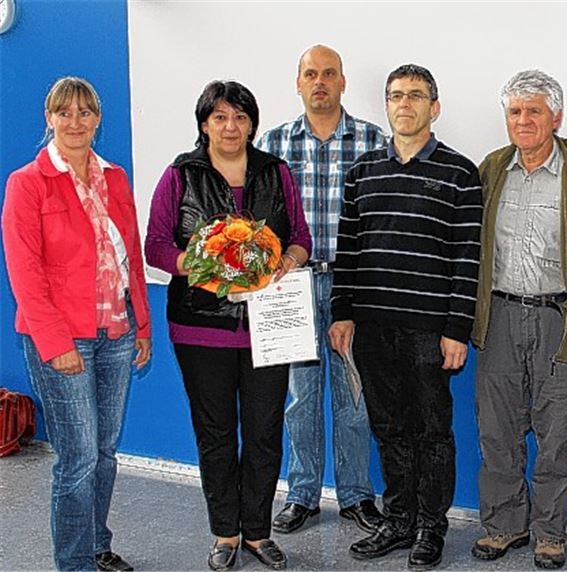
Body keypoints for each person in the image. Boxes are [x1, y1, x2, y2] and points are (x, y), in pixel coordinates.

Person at [144, 80, 312, 571]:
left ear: (252, 124)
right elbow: (156, 246)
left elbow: (300, 237)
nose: (231, 127)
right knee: (215, 434)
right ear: (204, 124)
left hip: (271, 326)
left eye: (239, 117)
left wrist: (288, 262)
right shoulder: (180, 174)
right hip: (200, 328)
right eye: (220, 117)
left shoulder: (276, 172)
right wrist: (207, 268)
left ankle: (258, 532)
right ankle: (225, 532)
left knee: (265, 431)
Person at [328, 64, 482, 570]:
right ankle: (398, 519)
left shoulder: (461, 174)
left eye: (417, 96)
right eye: (396, 96)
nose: (405, 104)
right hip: (372, 327)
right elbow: (346, 252)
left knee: (432, 431)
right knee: (388, 427)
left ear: (434, 107)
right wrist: (341, 313)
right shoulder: (363, 172)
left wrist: (457, 329)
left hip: (429, 330)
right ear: (387, 105)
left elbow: (468, 258)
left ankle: (430, 527)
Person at [2, 77, 152, 572]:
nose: (75, 122)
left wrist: (142, 327)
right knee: (78, 459)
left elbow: (128, 256)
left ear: (97, 119)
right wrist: (54, 342)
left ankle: (95, 543)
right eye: (64, 113)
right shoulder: (27, 183)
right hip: (64, 339)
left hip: (117, 333)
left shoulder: (116, 179)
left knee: (105, 452)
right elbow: (25, 272)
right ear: (49, 118)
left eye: (84, 112)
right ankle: (74, 564)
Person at [256, 44, 386, 536]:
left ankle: (355, 496)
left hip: (352, 284)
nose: (320, 82)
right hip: (292, 283)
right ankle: (303, 494)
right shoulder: (273, 144)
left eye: (329, 73)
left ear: (343, 82)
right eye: (311, 74)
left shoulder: (373, 142)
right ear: (298, 82)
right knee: (299, 396)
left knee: (354, 396)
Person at [470, 70, 567, 570]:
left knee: (557, 432)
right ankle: (503, 526)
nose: (523, 120)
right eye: (515, 111)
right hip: (498, 314)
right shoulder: (491, 169)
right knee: (497, 429)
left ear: (556, 117)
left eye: (534, 111)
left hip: (558, 319)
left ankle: (549, 534)